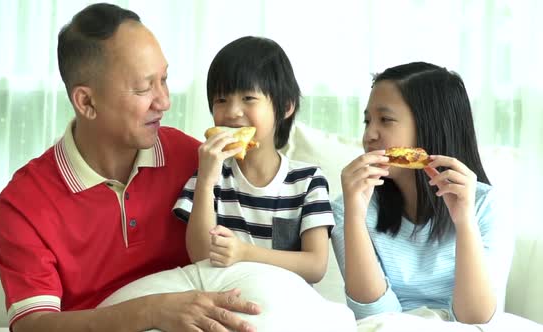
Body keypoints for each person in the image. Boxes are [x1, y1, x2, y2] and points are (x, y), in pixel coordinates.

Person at [0, 3, 261, 332]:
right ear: (86, 102)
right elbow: (32, 325)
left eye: (164, 79)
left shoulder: (193, 159)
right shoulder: (24, 202)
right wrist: (149, 312)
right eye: (144, 87)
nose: (164, 102)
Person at [331, 62, 512, 324]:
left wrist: (464, 221)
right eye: (367, 120)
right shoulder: (348, 208)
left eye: (386, 120)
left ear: (431, 126)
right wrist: (354, 218)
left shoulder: (487, 205)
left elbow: (476, 320)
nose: (369, 134)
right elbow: (373, 318)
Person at [172, 36, 335, 284]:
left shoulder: (308, 180)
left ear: (286, 106)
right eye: (221, 100)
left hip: (286, 301)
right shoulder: (210, 174)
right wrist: (205, 181)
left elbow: (315, 266)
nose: (233, 112)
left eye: (248, 98)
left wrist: (245, 253)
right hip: (223, 300)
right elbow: (200, 255)